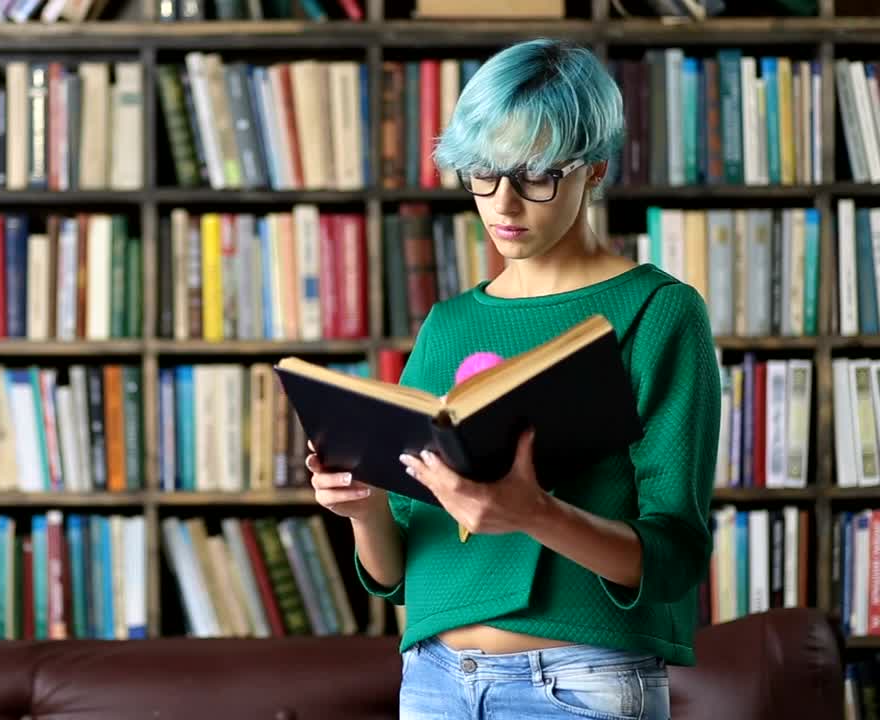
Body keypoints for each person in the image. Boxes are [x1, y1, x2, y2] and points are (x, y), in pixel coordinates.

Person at [305, 38, 721, 720]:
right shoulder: (449, 324)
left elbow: (673, 557)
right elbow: (392, 573)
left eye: (537, 175)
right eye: (483, 172)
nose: (504, 203)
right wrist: (364, 509)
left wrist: (535, 513)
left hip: (578, 682)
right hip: (435, 678)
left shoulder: (658, 310)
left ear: (594, 171)